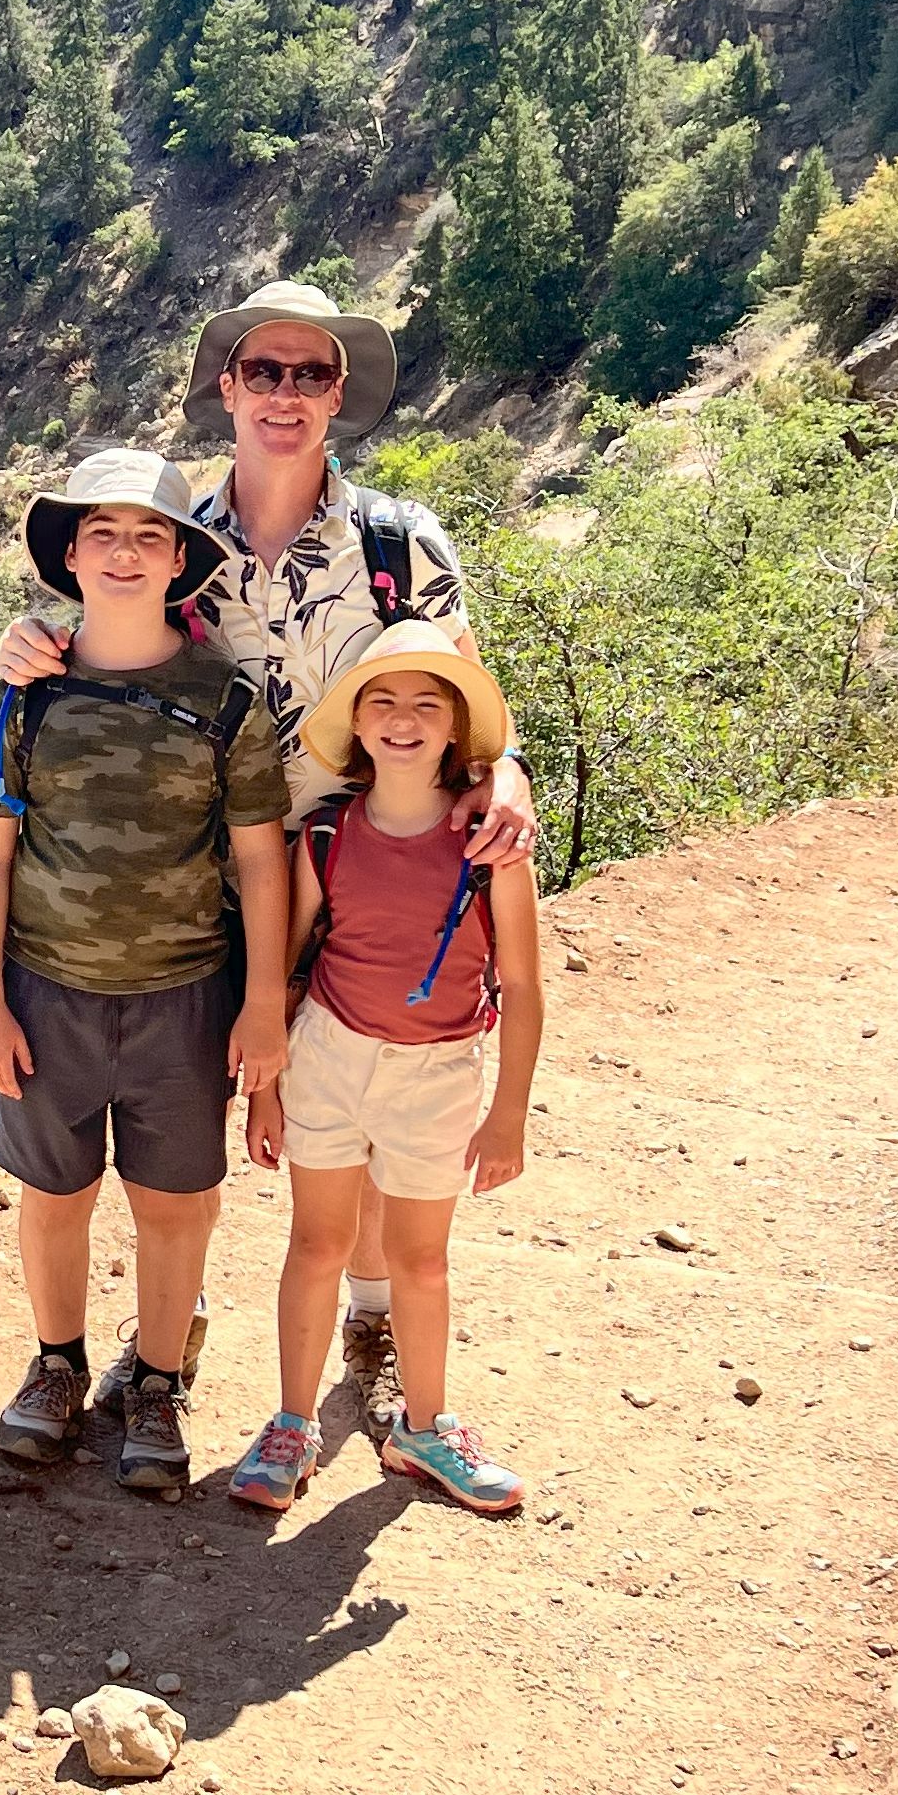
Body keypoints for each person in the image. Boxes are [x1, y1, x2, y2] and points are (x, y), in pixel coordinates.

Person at [0, 278, 535, 1436]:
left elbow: (469, 692)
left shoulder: (401, 544)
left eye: (312, 373)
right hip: (215, 874)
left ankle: (374, 1328)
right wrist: (28, 640)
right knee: (224, 1110)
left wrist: (512, 778)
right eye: (265, 372)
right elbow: (111, 644)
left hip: (363, 866)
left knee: (374, 1091)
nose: (286, 394)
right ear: (226, 389)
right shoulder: (181, 538)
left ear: (341, 394)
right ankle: (165, 1349)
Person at [0, 448, 293, 1497]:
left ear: (179, 559)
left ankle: (155, 1379)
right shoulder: (25, 694)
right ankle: (58, 1367)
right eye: (101, 533)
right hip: (45, 989)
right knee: (54, 1193)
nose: (124, 552)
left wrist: (264, 1001)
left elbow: (259, 859)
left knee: (175, 1201)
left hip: (185, 995)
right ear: (69, 554)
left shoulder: (224, 698)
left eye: (149, 535)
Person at [226, 623, 544, 1515]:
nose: (403, 720)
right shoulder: (326, 833)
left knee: (422, 1259)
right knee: (317, 1243)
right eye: (382, 702)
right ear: (357, 725)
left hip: (439, 1070)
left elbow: (520, 982)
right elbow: (289, 972)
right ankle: (293, 1423)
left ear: (456, 730)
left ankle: (426, 1426)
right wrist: (268, 1089)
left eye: (426, 704)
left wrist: (509, 1113)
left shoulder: (490, 851)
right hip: (329, 1054)